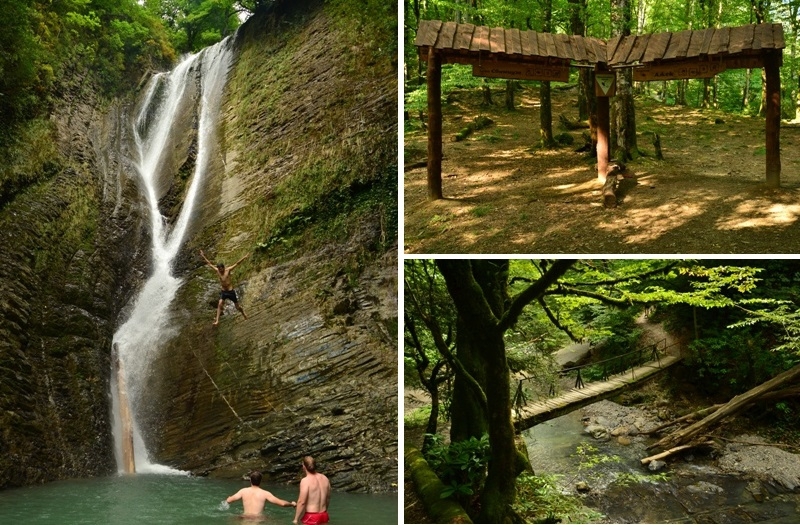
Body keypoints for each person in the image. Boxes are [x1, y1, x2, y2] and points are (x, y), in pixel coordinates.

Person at [200, 249, 250, 326]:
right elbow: (209, 264)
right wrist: (203, 255)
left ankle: (243, 313)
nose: (220, 270)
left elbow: (237, 263)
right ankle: (217, 321)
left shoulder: (228, 270)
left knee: (237, 307)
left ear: (223, 267)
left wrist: (245, 257)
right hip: (224, 292)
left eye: (221, 269)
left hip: (230, 291)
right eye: (219, 269)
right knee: (220, 304)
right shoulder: (217, 271)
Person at [226, 470, 297, 518]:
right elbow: (282, 504)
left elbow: (229, 500)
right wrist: (292, 504)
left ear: (250, 480)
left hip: (245, 517)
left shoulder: (243, 491)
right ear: (260, 481)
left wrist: (229, 498)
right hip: (258, 519)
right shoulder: (265, 493)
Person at [293, 456, 331, 525]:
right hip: (324, 515)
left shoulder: (305, 481)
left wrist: (296, 519)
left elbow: (302, 502)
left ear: (304, 466)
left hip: (311, 516)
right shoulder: (325, 478)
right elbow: (328, 498)